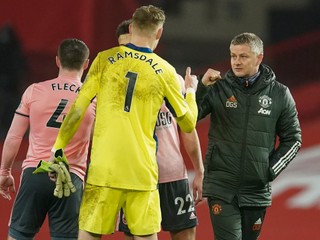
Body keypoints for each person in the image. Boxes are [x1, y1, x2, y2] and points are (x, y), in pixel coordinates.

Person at [50, 5, 198, 240]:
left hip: (104, 170)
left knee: (89, 234)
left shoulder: (104, 60)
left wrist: (57, 148)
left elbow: (77, 110)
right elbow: (189, 123)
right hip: (141, 171)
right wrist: (190, 91)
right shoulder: (166, 71)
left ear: (131, 27)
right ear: (159, 33)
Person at [196, 32, 302, 240]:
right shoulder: (219, 87)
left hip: (256, 190)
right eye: (233, 56)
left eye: (243, 56)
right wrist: (201, 88)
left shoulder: (280, 94)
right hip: (221, 185)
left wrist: (269, 170)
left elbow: (293, 139)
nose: (236, 62)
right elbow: (190, 117)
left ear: (259, 58)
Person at [116, 19, 204, 240]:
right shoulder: (112, 79)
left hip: (170, 173)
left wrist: (199, 171)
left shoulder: (168, 76)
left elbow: (188, 128)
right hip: (134, 176)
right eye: (124, 46)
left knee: (185, 232)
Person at [0, 38, 95, 240]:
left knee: (19, 236)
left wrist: (4, 172)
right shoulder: (94, 99)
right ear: (86, 63)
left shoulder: (34, 91)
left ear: (57, 61)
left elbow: (14, 136)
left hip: (35, 173)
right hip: (71, 178)